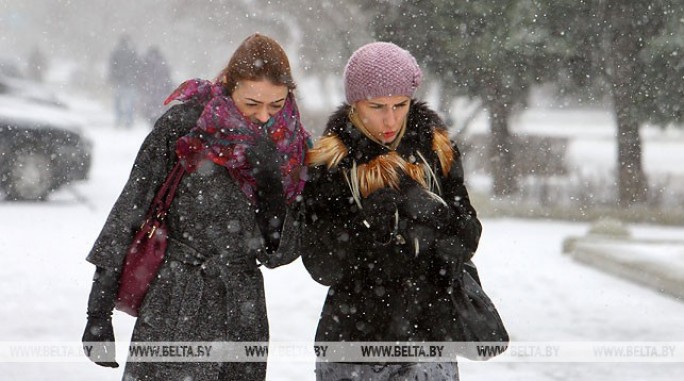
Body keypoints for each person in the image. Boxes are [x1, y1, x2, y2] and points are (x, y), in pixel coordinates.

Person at [82, 33, 310, 381]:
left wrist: (270, 189)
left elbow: (281, 254)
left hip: (242, 313)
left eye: (276, 106)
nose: (264, 116)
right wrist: (98, 313)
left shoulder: (291, 148)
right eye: (252, 103)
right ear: (230, 86)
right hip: (175, 301)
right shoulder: (186, 127)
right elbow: (131, 208)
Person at [301, 42, 482, 380]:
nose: (390, 118)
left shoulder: (437, 150)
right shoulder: (331, 162)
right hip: (353, 338)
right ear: (356, 103)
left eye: (400, 105)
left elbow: (468, 233)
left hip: (428, 335)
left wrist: (434, 219)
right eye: (377, 106)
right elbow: (319, 263)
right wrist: (366, 226)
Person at [108, 34, 140, 128]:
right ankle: (129, 121)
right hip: (131, 82)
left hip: (119, 81)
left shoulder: (116, 53)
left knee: (118, 102)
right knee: (130, 102)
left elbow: (112, 67)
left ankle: (118, 119)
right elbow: (137, 67)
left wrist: (113, 78)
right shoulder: (132, 52)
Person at [138, 45, 173, 125]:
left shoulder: (146, 62)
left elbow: (142, 76)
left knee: (150, 105)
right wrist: (168, 87)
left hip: (149, 88)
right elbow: (167, 76)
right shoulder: (162, 62)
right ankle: (158, 119)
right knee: (159, 105)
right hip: (161, 88)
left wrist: (143, 86)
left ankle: (151, 119)